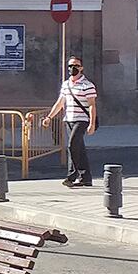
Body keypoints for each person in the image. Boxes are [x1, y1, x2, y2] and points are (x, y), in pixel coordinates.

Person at [42, 56, 98, 187]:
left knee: (72, 145)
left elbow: (92, 105)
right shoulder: (66, 84)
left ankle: (71, 175)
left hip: (82, 120)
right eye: (70, 66)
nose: (73, 68)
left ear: (81, 68)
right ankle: (86, 177)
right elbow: (60, 103)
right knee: (79, 148)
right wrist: (49, 117)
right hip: (69, 119)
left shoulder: (88, 85)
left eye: (76, 65)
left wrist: (92, 124)